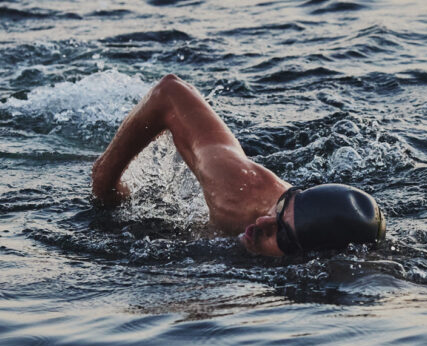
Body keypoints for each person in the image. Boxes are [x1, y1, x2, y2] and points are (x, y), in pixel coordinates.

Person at [92, 73, 385, 257]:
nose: (262, 224)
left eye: (280, 233)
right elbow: (169, 91)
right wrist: (106, 183)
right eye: (280, 208)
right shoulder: (237, 192)